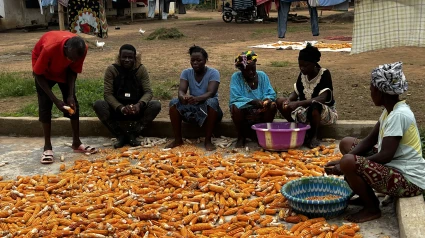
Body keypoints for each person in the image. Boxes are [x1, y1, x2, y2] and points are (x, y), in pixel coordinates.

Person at [325, 62, 425, 223]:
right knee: (346, 143)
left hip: (410, 181)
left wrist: (346, 165)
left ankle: (372, 208)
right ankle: (365, 195)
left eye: (372, 89)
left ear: (380, 92)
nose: (370, 93)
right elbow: (369, 139)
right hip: (395, 166)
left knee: (350, 162)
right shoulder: (390, 110)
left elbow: (385, 155)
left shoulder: (399, 115)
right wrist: (341, 161)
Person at [32, 31, 97, 164]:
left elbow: (73, 71)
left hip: (63, 71)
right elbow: (37, 74)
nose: (73, 61)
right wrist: (55, 100)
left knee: (73, 105)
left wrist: (70, 95)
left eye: (75, 60)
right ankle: (47, 147)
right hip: (44, 72)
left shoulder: (81, 49)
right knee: (45, 106)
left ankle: (76, 143)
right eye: (71, 58)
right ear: (67, 48)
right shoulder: (49, 48)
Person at [93, 44, 161, 148]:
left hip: (136, 109)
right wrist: (121, 108)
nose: (127, 60)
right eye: (124, 57)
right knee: (98, 104)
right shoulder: (112, 70)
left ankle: (133, 133)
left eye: (130, 57)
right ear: (119, 57)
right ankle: (119, 135)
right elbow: (108, 94)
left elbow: (148, 92)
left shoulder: (141, 70)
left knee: (155, 105)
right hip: (117, 109)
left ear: (135, 58)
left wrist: (139, 105)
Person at [276, 44, 337, 148]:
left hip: (322, 112)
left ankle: (313, 136)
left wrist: (298, 103)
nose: (302, 68)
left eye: (305, 66)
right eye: (300, 66)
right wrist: (289, 100)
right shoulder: (303, 74)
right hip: (305, 111)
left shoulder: (324, 74)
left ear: (314, 64)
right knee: (279, 101)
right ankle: (299, 130)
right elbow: (296, 92)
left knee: (315, 105)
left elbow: (322, 98)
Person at [166, 46, 222, 151]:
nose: (195, 63)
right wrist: (184, 97)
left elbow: (211, 92)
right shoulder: (186, 72)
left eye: (199, 60)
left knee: (212, 101)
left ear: (206, 60)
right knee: (174, 103)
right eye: (193, 60)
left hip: (209, 109)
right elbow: (181, 90)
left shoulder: (213, 73)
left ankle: (208, 140)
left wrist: (196, 99)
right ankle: (178, 139)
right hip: (194, 106)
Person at [230, 51, 277, 148]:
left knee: (272, 106)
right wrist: (254, 102)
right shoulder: (236, 77)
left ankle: (263, 134)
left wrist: (266, 100)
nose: (251, 72)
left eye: (253, 68)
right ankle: (241, 136)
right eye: (247, 70)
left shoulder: (262, 75)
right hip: (244, 110)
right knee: (235, 107)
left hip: (261, 110)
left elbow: (270, 92)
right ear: (241, 70)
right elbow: (236, 97)